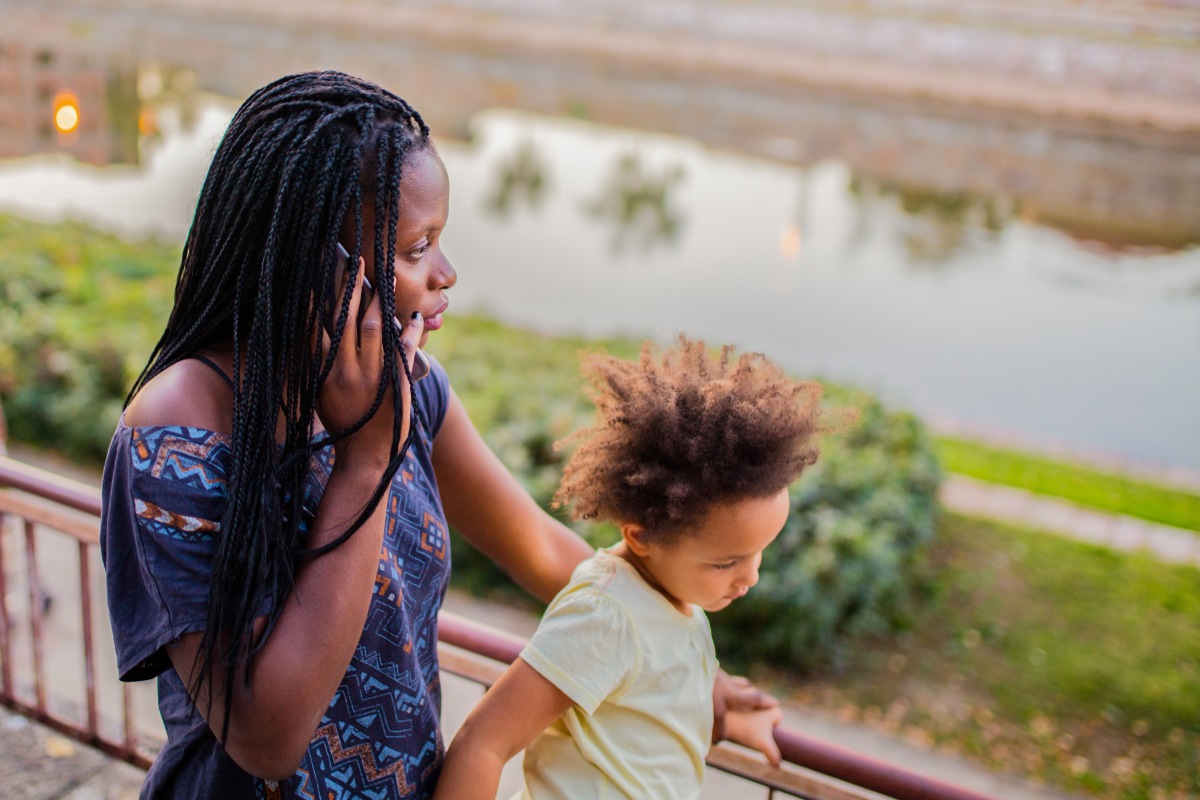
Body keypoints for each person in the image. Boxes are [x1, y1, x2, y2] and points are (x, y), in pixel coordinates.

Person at [100, 72, 775, 800]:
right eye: (417, 248)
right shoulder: (174, 436)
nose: (446, 275)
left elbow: (546, 551)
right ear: (310, 260)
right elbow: (266, 736)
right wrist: (367, 463)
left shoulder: (412, 391)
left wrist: (681, 660)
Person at [433, 339, 836, 800]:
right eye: (726, 562)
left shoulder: (677, 600)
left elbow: (647, 712)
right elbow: (483, 743)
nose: (751, 578)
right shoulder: (606, 616)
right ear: (640, 535)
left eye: (759, 553)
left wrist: (730, 714)